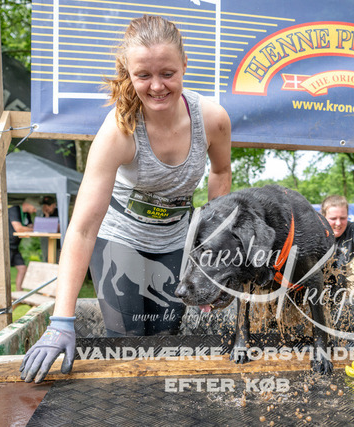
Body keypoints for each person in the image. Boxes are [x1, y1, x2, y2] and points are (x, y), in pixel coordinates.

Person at [20, 15, 232, 383]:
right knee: (127, 342)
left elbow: (221, 172)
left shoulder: (212, 119)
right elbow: (82, 229)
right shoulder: (119, 131)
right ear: (128, 73)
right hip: (120, 238)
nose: (157, 86)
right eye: (143, 75)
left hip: (174, 241)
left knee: (166, 340)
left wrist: (210, 254)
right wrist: (61, 320)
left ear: (184, 65)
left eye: (167, 73)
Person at [9, 198, 39, 291]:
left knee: (22, 268)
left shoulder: (27, 214)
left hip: (15, 246)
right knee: (3, 271)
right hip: (6, 246)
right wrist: (35, 229)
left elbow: (31, 227)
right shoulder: (14, 210)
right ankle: (3, 294)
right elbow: (18, 228)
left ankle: (19, 293)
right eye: (34, 208)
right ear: (28, 204)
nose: (35, 211)